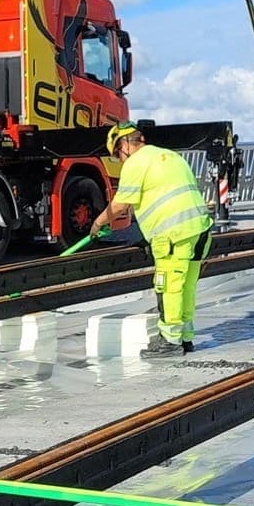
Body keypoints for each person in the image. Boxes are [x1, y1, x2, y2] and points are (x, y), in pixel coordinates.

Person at [90, 121, 213, 358]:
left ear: (125, 144)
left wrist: (98, 223)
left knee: (168, 287)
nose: (119, 158)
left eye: (117, 153)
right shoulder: (169, 155)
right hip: (200, 230)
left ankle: (169, 341)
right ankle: (185, 338)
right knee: (186, 286)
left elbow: (120, 205)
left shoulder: (135, 163)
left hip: (173, 235)